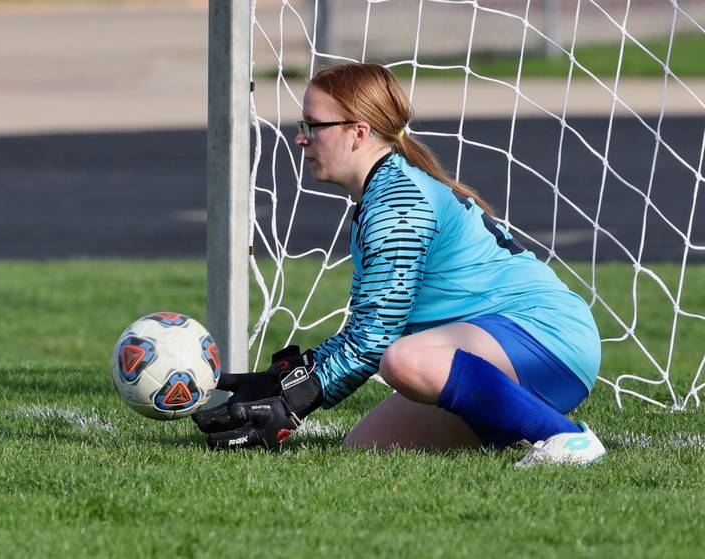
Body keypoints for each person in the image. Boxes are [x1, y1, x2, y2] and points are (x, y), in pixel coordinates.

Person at [193, 63, 605, 467]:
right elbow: (366, 330)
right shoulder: (382, 193)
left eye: (312, 126)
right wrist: (279, 380)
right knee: (368, 446)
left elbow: (374, 340)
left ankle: (567, 438)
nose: (302, 140)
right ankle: (520, 423)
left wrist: (295, 399)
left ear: (358, 132)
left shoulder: (397, 203)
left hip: (548, 339)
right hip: (507, 355)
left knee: (403, 359)